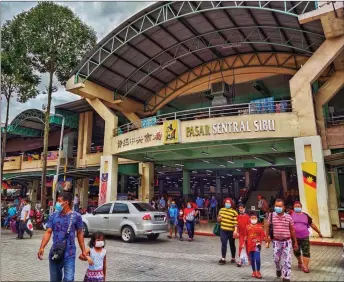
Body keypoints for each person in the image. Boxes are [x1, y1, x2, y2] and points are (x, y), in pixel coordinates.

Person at [37, 191, 87, 282]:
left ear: (66, 202)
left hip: (70, 253)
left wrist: (83, 250)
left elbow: (80, 233)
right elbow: (48, 232)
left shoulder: (76, 216)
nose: (57, 204)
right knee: (55, 279)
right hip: (55, 252)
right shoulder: (53, 216)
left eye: (59, 201)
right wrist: (42, 247)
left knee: (69, 279)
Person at [267, 199, 298, 282]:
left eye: (280, 206)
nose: (278, 207)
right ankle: (278, 268)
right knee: (276, 259)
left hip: (287, 242)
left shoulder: (288, 217)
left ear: (284, 207)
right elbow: (267, 226)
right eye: (276, 206)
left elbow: (292, 230)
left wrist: (295, 242)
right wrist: (267, 238)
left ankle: (286, 277)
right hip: (276, 241)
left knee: (287, 260)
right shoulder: (271, 215)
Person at [291, 201, 323, 273]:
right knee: (296, 251)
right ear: (293, 207)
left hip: (304, 236)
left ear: (301, 207)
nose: (297, 208)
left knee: (306, 252)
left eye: (298, 206)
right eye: (296, 206)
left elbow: (312, 224)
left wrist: (318, 232)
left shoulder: (305, 215)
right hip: (294, 237)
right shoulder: (290, 215)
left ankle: (305, 266)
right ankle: (299, 261)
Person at [245, 213, 267, 279]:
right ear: (250, 219)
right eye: (252, 218)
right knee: (252, 259)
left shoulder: (260, 227)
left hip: (257, 246)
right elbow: (245, 236)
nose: (253, 219)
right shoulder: (247, 227)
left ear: (257, 219)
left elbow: (264, 236)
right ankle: (254, 272)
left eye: (255, 218)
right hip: (249, 245)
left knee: (257, 259)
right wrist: (243, 244)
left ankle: (258, 271)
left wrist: (266, 242)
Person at [217, 198, 238, 265]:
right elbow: (219, 220)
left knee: (232, 244)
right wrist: (219, 219)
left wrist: (235, 231)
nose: (227, 204)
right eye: (226, 202)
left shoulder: (234, 212)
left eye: (229, 203)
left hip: (231, 231)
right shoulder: (221, 210)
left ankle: (233, 257)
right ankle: (223, 258)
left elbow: (235, 223)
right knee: (224, 244)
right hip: (223, 230)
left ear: (231, 204)